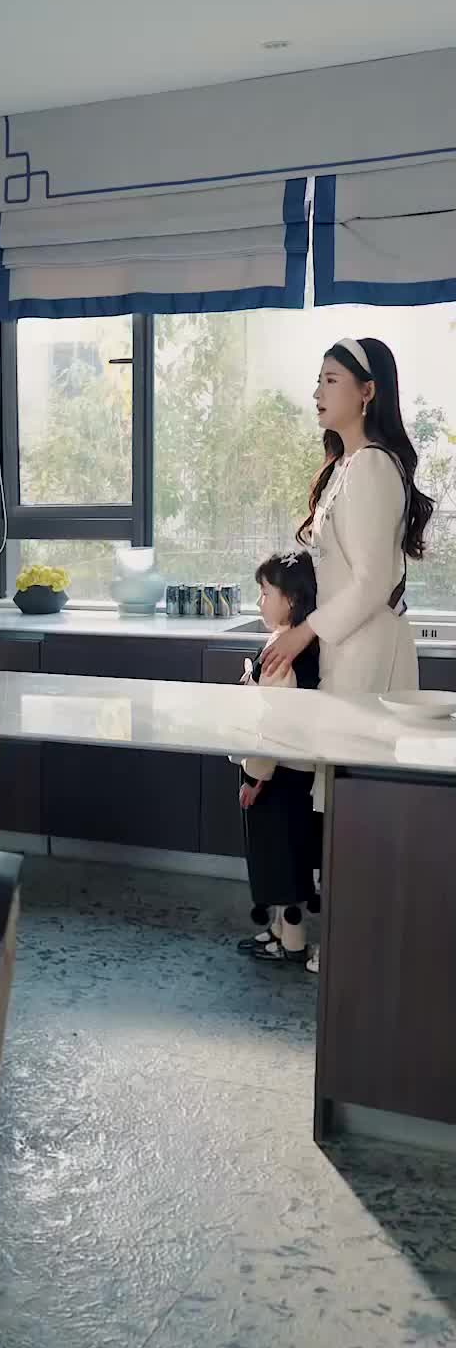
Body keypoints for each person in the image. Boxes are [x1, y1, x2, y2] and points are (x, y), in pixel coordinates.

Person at [261, 336, 433, 698]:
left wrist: (304, 632)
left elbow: (372, 582)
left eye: (331, 380)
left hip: (367, 649)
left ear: (366, 392)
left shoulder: (372, 465)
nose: (317, 393)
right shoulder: (346, 465)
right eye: (318, 381)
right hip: (348, 645)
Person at [236, 552, 322, 965]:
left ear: (291, 599)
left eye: (265, 593)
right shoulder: (303, 645)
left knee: (279, 861)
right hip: (296, 775)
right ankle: (280, 932)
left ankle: (291, 941)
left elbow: (271, 725)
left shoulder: (280, 653)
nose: (259, 602)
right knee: (292, 857)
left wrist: (255, 779)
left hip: (276, 776)